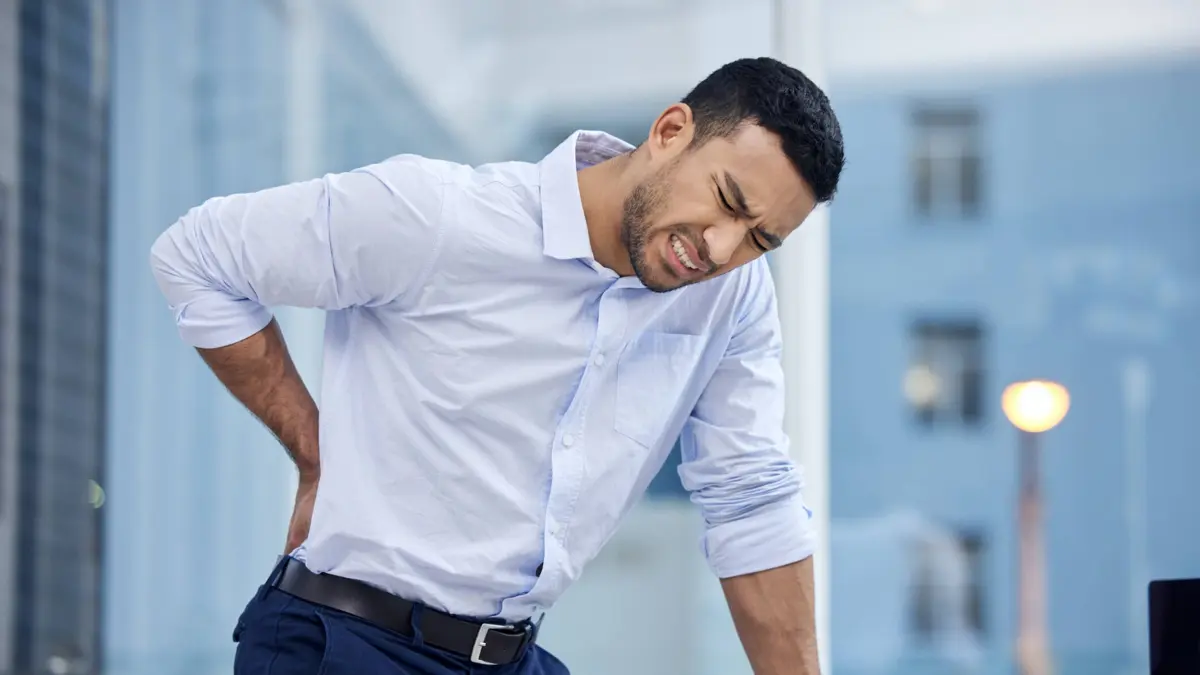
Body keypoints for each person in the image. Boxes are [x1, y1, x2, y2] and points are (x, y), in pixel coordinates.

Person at [149, 56, 844, 674]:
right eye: (726, 201)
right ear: (669, 131)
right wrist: (313, 449)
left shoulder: (731, 297)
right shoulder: (439, 215)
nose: (721, 249)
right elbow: (197, 257)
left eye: (759, 239)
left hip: (508, 652)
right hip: (344, 641)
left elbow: (751, 499)